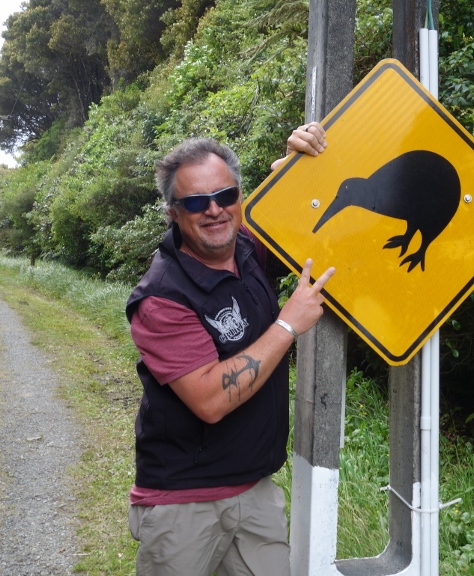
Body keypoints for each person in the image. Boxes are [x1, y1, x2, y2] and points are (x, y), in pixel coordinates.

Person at [124, 122, 332, 576]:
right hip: (184, 503)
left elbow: (295, 201)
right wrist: (287, 324)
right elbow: (211, 400)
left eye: (227, 196)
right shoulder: (161, 296)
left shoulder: (247, 250)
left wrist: (298, 154)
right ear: (174, 212)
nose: (214, 210)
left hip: (255, 490)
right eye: (196, 202)